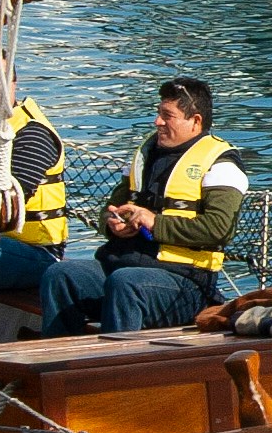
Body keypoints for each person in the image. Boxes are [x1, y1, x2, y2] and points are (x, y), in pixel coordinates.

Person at [40, 78, 248, 335]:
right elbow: (110, 208)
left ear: (195, 121)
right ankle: (56, 356)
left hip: (185, 284)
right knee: (60, 275)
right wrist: (111, 223)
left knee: (125, 283)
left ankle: (118, 360)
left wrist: (154, 223)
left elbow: (220, 229)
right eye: (158, 113)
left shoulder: (221, 164)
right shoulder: (145, 154)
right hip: (123, 266)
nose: (157, 121)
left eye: (167, 116)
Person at [0, 49, 67, 337]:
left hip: (36, 255)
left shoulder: (33, 133)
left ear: (14, 83)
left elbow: (6, 206)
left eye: (4, 77)